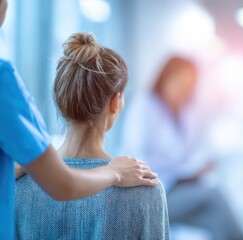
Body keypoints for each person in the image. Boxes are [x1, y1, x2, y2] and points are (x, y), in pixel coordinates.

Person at [0, 1, 157, 238]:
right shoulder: (144, 189)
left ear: (60, 98)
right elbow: (62, 185)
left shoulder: (15, 186)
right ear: (115, 102)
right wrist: (113, 172)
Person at [122, 56, 243, 240]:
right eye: (179, 84)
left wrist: (197, 167)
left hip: (177, 187)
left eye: (188, 88)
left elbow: (185, 154)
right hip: (153, 193)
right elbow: (138, 157)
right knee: (215, 197)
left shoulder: (183, 114)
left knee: (216, 219)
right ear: (165, 78)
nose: (183, 92)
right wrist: (185, 169)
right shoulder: (145, 106)